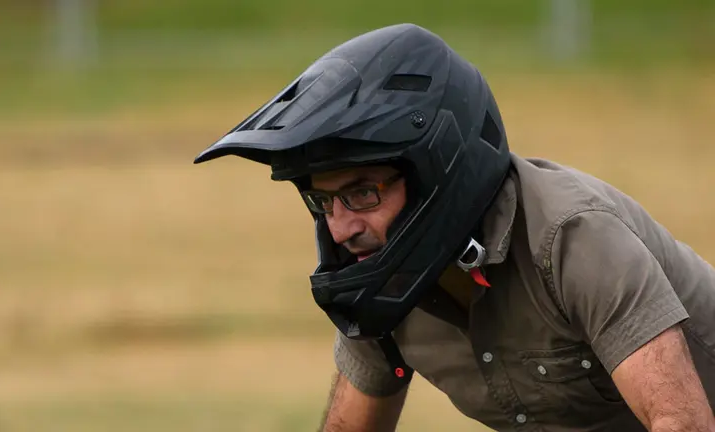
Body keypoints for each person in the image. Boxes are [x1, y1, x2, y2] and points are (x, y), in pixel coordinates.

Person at [193, 23, 715, 431]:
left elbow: (683, 422)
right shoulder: (383, 286)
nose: (340, 229)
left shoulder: (573, 240)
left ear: (440, 171)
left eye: (362, 193)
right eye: (323, 201)